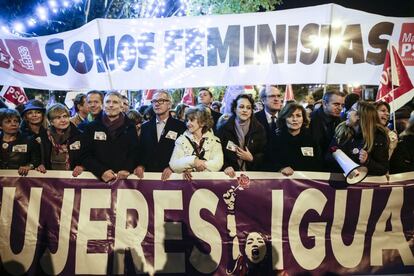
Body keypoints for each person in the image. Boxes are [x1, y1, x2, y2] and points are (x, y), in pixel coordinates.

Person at [81, 91, 139, 182]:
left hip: (123, 181)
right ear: (103, 106)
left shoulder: (130, 127)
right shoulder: (91, 127)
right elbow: (85, 154)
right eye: (108, 102)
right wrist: (101, 171)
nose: (111, 105)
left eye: (115, 102)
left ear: (121, 107)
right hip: (96, 179)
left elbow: (134, 152)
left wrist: (127, 169)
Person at [134, 90, 186, 181]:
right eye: (154, 101)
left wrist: (172, 167)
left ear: (169, 104)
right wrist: (140, 165)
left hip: (172, 176)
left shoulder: (180, 126)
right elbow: (141, 150)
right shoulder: (145, 127)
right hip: (149, 176)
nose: (157, 104)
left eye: (161, 100)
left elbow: (184, 152)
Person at [329, 101, 389, 176]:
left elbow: (383, 169)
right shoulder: (342, 131)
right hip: (339, 182)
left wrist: (367, 161)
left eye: (351, 110)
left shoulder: (378, 136)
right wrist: (336, 155)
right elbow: (328, 157)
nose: (347, 112)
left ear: (360, 116)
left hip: (364, 185)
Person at [217, 94, 266, 177]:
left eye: (248, 108)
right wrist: (225, 166)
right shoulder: (224, 129)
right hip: (230, 176)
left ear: (251, 111)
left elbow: (265, 153)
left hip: (253, 176)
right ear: (235, 109)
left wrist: (252, 159)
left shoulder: (259, 129)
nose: (245, 110)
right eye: (241, 107)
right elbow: (218, 152)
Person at [265, 103, 321, 175]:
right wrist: (280, 168)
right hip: (281, 183)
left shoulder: (311, 139)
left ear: (303, 118)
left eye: (298, 116)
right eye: (290, 116)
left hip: (307, 184)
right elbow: (267, 163)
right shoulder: (275, 138)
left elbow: (318, 164)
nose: (295, 119)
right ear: (284, 118)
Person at [169, 105, 223, 180]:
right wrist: (193, 161)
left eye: (192, 120)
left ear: (203, 122)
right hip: (188, 186)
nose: (188, 123)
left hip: (209, 185)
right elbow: (174, 164)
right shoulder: (181, 140)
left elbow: (218, 163)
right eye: (187, 120)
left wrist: (195, 166)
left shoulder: (215, 140)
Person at [44, 103, 84, 176]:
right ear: (51, 122)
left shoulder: (80, 135)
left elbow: (86, 155)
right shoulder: (44, 136)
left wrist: (82, 166)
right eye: (58, 117)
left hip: (73, 178)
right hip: (50, 178)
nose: (63, 120)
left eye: (65, 116)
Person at [309, 90, 345, 169]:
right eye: (336, 104)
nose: (340, 108)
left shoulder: (341, 121)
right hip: (313, 167)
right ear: (325, 104)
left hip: (333, 167)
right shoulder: (310, 120)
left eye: (342, 105)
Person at [0, 108, 41, 175]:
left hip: (21, 181)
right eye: (8, 121)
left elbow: (36, 160)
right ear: (0, 126)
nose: (13, 124)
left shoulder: (30, 140)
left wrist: (29, 166)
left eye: (16, 121)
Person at [19, 99, 48, 172]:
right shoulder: (20, 134)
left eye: (38, 112)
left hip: (47, 172)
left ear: (43, 115)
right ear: (25, 116)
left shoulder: (49, 133)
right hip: (25, 173)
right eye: (30, 113)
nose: (34, 115)